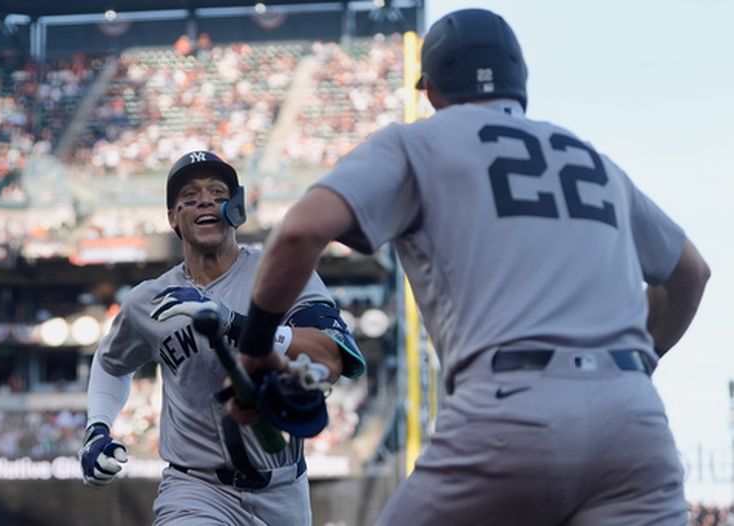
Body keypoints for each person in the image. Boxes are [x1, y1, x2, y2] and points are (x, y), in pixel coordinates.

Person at [234, 8, 710, 526]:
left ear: (432, 89)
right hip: (633, 419)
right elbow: (690, 273)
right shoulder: (592, 159)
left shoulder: (418, 141)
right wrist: (639, 361)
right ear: (518, 83)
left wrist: (256, 348)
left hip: (510, 409)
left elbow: (301, 230)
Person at [77, 150, 365, 525]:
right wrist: (97, 427)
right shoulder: (148, 300)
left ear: (236, 207)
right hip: (194, 489)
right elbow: (111, 362)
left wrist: (235, 323)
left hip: (283, 491)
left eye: (217, 191)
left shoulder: (281, 272)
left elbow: (331, 358)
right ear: (172, 218)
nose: (205, 199)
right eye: (190, 195)